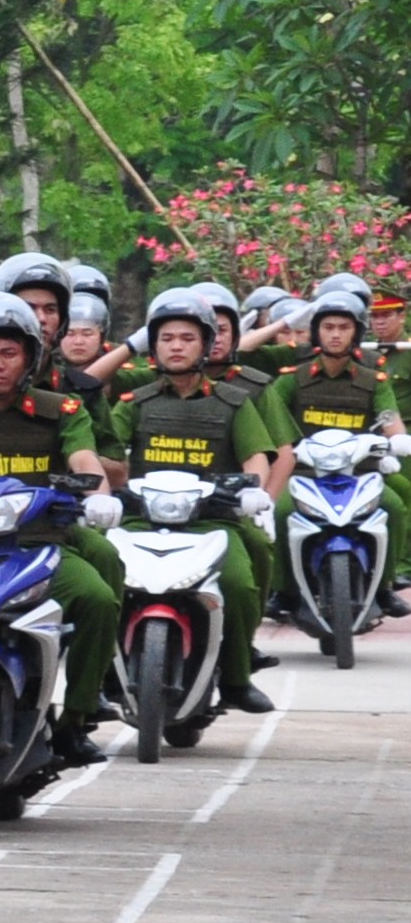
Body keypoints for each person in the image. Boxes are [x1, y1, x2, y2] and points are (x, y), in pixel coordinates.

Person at [0, 292, 122, 758]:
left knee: (96, 597)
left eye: (9, 353)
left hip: (41, 544)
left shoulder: (62, 409)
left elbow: (83, 457)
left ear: (31, 356)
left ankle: (76, 718)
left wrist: (98, 495)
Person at [106, 289, 285, 714]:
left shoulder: (234, 402)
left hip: (213, 520)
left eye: (187, 338)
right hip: (143, 519)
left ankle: (238, 678)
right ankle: (104, 676)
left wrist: (252, 489)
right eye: (166, 338)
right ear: (154, 345)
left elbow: (256, 459)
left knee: (241, 582)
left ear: (205, 344)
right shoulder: (136, 403)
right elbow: (108, 458)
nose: (176, 346)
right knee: (105, 573)